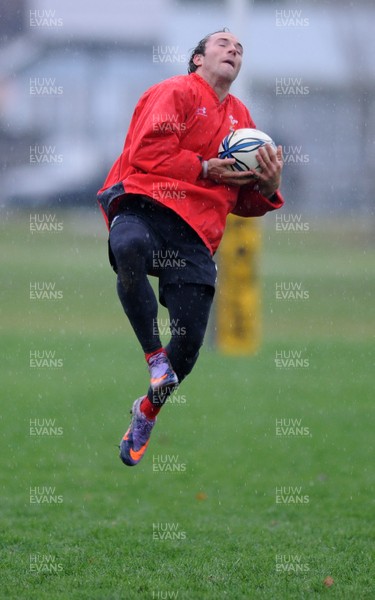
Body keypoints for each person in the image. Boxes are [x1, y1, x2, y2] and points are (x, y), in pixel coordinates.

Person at [97, 29, 284, 467]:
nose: (234, 49)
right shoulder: (175, 91)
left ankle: (148, 410)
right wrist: (203, 167)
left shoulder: (242, 120)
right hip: (146, 202)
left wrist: (269, 187)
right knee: (128, 246)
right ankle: (152, 356)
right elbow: (147, 151)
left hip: (195, 232)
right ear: (198, 59)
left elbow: (242, 199)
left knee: (190, 343)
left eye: (240, 48)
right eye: (223, 44)